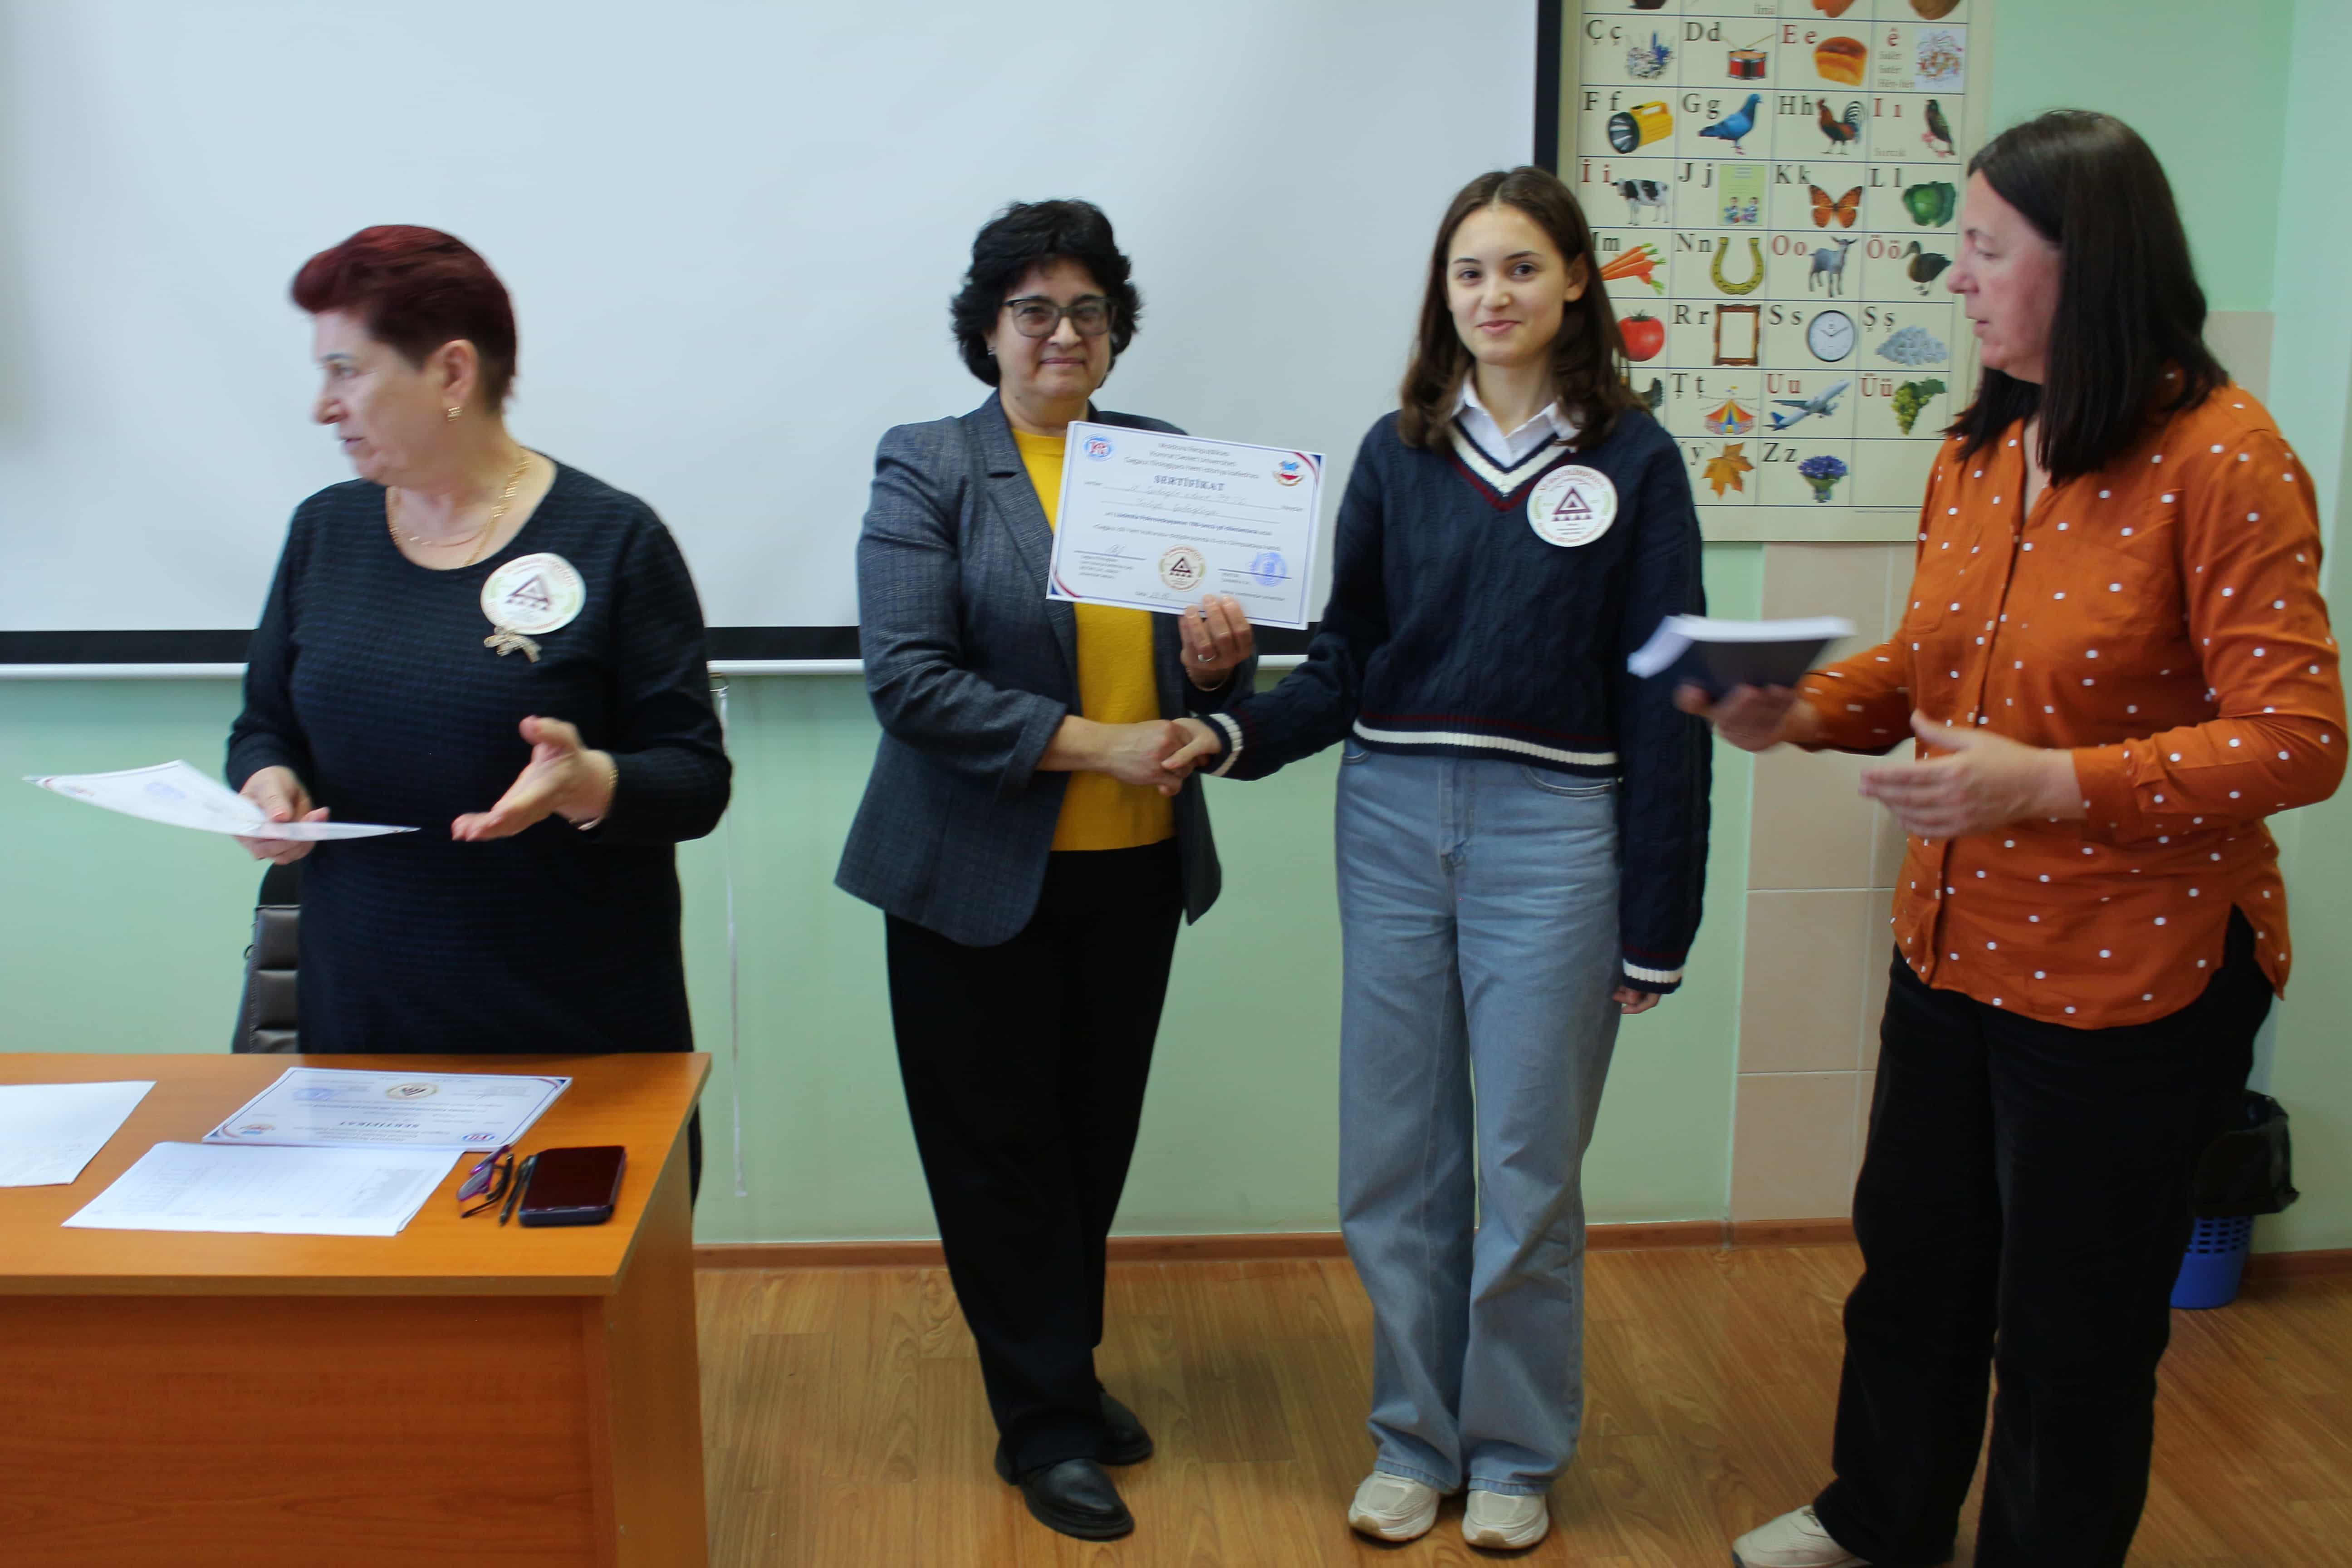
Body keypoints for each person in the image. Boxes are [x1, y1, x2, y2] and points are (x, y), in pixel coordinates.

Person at [1703, 113, 2344, 1568]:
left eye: (1987, 249)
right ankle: (1881, 1521)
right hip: (1952, 944)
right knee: (1914, 1270)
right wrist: (1796, 708)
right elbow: (1934, 665)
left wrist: (2054, 786)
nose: (1959, 279)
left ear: (2089, 261)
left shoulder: (2226, 458)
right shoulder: (1984, 448)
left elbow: (2301, 738)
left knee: (2073, 1330)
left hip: (2133, 977)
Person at [1164, 166, 1710, 1551]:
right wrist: (1232, 730)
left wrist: (1661, 920)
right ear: (1444, 293)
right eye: (1470, 272)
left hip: (1559, 832)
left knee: (1528, 1168)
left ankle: (1515, 1453)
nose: (1494, 295)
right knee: (1396, 1159)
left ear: (1576, 280)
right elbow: (1348, 658)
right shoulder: (1399, 449)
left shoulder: (1636, 463)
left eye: (1522, 267)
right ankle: (1415, 1438)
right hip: (1395, 819)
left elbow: (1669, 694)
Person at [833, 199, 1255, 1544]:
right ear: (989, 331)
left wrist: (1219, 667)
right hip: (970, 879)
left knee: (1089, 1142)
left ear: (1114, 333)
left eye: (1086, 311)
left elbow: (1208, 679)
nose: (1061, 333)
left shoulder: (1163, 462)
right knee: (996, 1158)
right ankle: (1046, 1426)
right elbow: (909, 681)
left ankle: (1057, 1368)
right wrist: (1094, 746)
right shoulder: (931, 465)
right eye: (1033, 311)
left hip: (1134, 872)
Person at [228, 225, 730, 1197]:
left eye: (346, 370)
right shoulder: (326, 531)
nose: (323, 405)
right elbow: (264, 726)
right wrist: (268, 782)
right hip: (361, 1029)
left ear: (452, 372)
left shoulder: (614, 539)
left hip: (571, 1035)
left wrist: (590, 782)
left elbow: (696, 781)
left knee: (563, 1290)